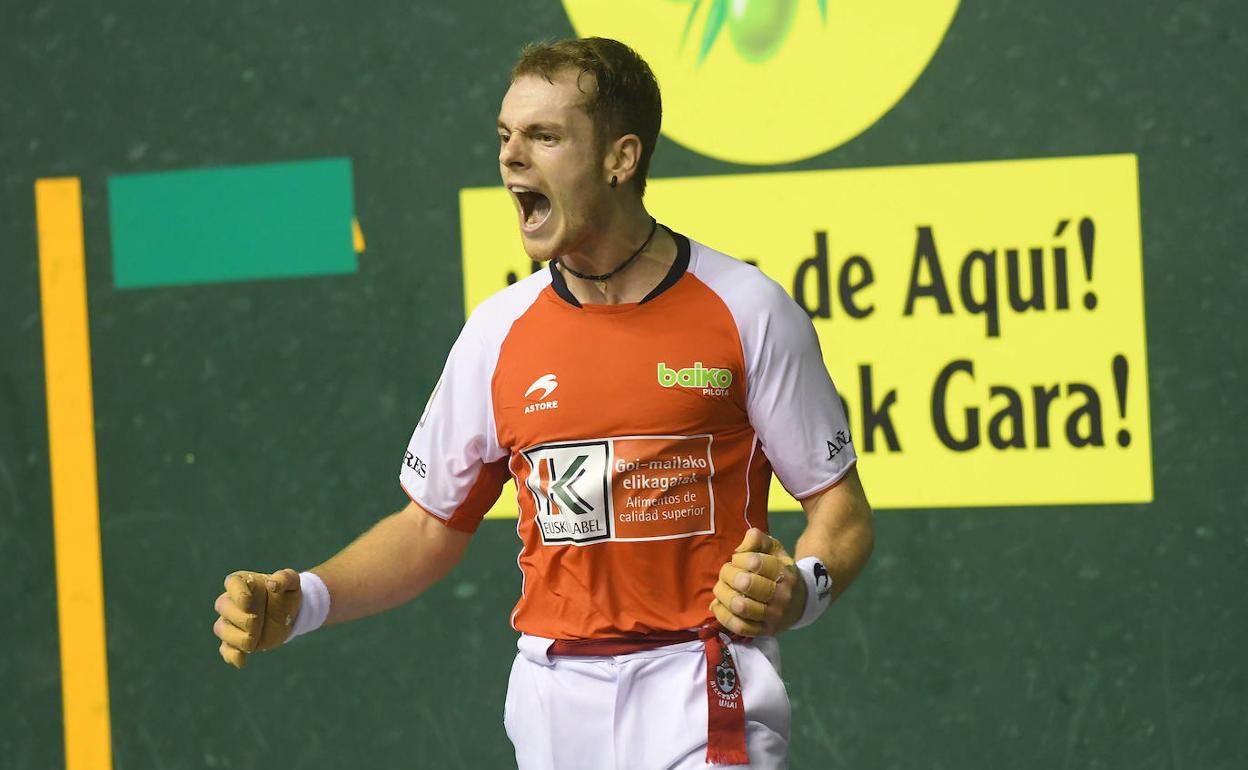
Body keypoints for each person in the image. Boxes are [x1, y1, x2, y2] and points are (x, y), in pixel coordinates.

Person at [213, 37, 874, 769]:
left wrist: (800, 588)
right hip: (553, 698)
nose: (511, 158)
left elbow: (840, 511)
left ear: (621, 159)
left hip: (702, 680)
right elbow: (430, 528)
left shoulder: (747, 310)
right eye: (505, 137)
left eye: (544, 137)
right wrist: (303, 599)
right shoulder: (498, 333)